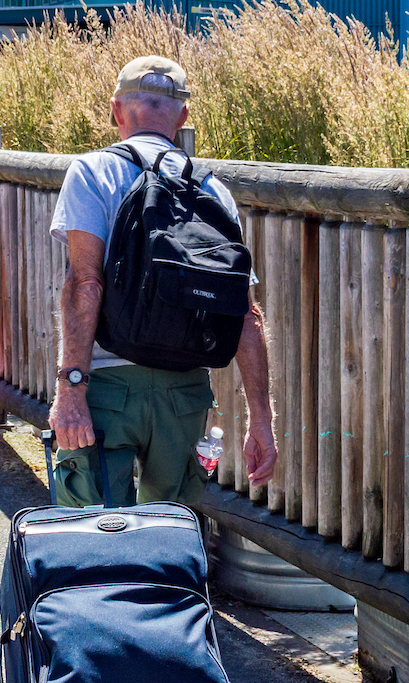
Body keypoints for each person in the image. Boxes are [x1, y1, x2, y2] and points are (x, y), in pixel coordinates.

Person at [47, 55, 277, 507]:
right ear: (183, 117)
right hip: (185, 394)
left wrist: (71, 389)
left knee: (93, 538)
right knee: (167, 536)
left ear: (117, 111)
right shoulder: (213, 191)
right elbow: (246, 314)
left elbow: (85, 284)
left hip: (107, 387)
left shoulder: (93, 172)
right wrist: (261, 420)